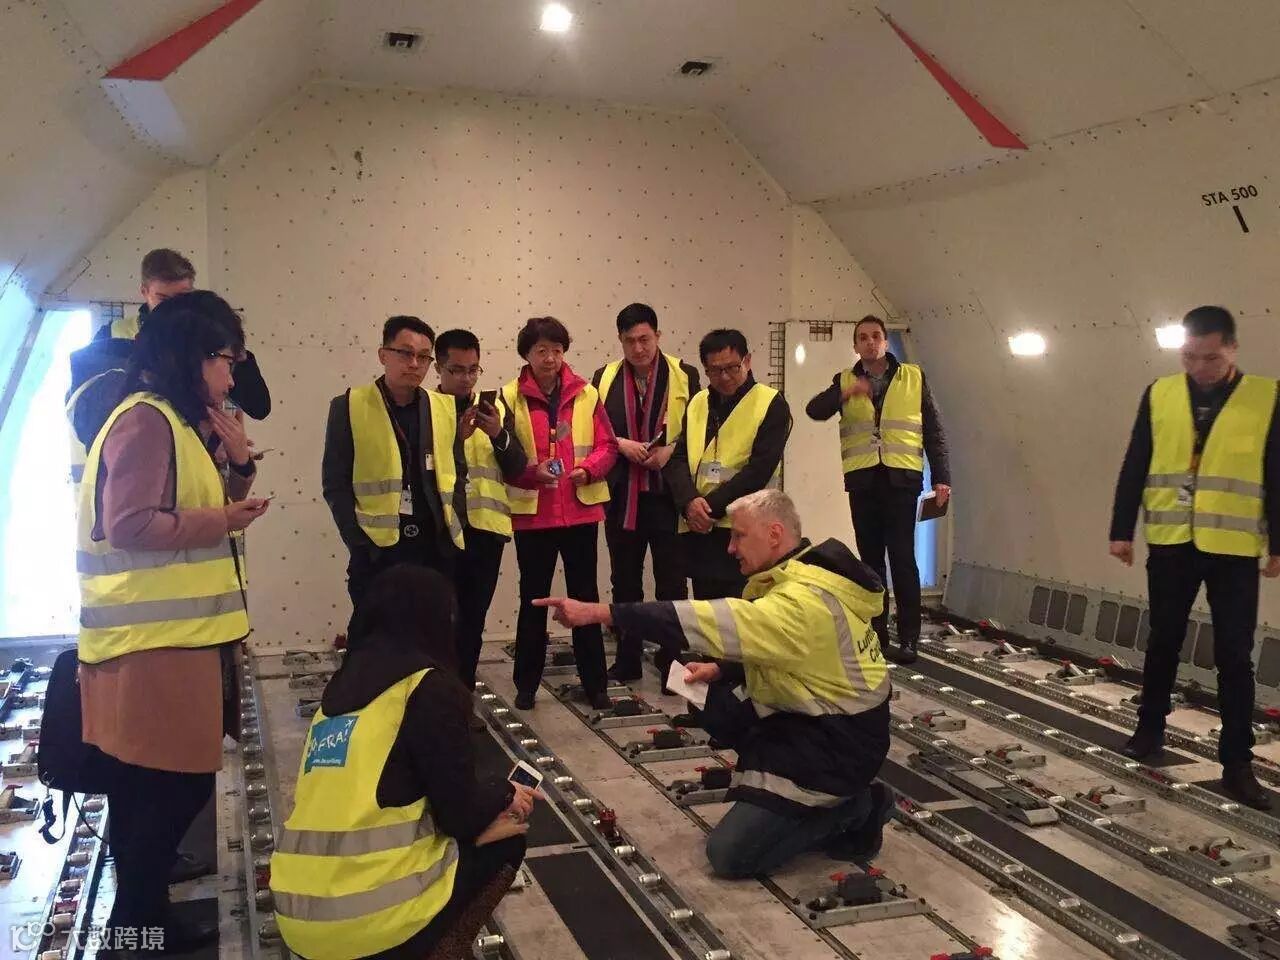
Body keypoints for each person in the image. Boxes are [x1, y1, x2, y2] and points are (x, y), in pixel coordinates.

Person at [536, 489, 893, 879]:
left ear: (774, 534)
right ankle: (788, 790)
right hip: (821, 720)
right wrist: (721, 670)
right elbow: (794, 650)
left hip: (839, 743)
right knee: (709, 701)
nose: (730, 548)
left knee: (729, 856)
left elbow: (699, 619)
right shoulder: (803, 576)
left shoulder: (801, 601)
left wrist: (601, 612)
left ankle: (854, 807)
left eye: (738, 535)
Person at [77, 292, 269, 951]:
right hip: (151, 646)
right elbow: (130, 525)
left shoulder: (179, 421)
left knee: (155, 794)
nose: (232, 377)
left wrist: (239, 466)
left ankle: (142, 920)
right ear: (193, 356)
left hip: (174, 641)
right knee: (169, 792)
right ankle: (135, 929)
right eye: (226, 361)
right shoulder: (146, 421)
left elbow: (197, 505)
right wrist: (223, 519)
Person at [271, 565, 536, 960]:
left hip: (297, 918)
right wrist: (505, 791)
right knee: (509, 837)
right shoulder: (427, 688)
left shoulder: (337, 694)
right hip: (369, 924)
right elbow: (462, 817)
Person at [1110, 305, 1279, 809]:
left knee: (1235, 656)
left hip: (1233, 549)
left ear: (1232, 349)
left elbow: (1276, 471)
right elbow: (1136, 461)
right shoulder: (1159, 393)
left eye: (1210, 358)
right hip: (1172, 541)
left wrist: (1279, 543)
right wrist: (1121, 530)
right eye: (1189, 357)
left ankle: (1237, 765)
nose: (1198, 368)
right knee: (1163, 639)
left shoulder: (1266, 398)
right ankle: (1149, 730)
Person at [805, 315, 950, 665]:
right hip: (864, 481)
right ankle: (877, 633)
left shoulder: (913, 377)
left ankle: (910, 638)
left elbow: (933, 431)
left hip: (902, 481)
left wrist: (942, 478)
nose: (870, 342)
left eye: (875, 336)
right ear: (855, 346)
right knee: (870, 562)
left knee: (902, 559)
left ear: (885, 341)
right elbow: (814, 410)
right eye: (863, 338)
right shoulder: (845, 380)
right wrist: (846, 393)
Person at [663, 328, 790, 719]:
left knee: (742, 626)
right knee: (706, 623)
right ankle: (704, 712)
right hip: (701, 533)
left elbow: (758, 470)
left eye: (732, 367)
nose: (724, 377)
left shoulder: (770, 404)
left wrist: (709, 507)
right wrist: (689, 503)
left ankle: (742, 714)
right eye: (715, 370)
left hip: (746, 533)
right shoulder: (699, 403)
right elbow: (677, 458)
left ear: (747, 360)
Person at [67, 249, 271, 483]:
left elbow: (258, 405)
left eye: (182, 298)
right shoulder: (113, 341)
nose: (176, 309)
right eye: (164, 300)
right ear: (144, 292)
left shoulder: (207, 338)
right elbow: (90, 417)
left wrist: (229, 447)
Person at [502, 316, 617, 710]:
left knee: (586, 599)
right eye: (541, 351)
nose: (550, 358)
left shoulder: (586, 394)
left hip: (580, 512)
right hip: (533, 515)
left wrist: (590, 470)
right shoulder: (509, 397)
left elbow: (608, 445)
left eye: (556, 349)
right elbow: (504, 455)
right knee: (532, 600)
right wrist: (530, 473)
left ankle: (596, 685)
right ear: (527, 354)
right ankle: (526, 685)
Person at [322, 316, 467, 622]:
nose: (414, 363)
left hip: (434, 545)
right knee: (375, 634)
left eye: (423, 356)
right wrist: (358, 542)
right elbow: (335, 482)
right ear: (383, 355)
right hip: (378, 548)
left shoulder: (443, 407)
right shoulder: (349, 405)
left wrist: (455, 523)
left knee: (432, 633)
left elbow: (458, 470)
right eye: (405, 353)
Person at [591, 303, 700, 682]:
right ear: (620, 341)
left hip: (668, 495)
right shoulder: (604, 377)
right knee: (625, 582)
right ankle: (628, 658)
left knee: (672, 583)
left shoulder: (685, 374)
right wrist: (621, 444)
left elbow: (699, 426)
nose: (638, 348)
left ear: (658, 336)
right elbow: (595, 429)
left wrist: (672, 450)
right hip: (623, 495)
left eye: (644, 339)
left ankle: (673, 662)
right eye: (630, 341)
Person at [433, 329, 527, 695]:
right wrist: (455, 439)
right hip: (442, 531)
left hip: (486, 531)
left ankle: (461, 696)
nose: (466, 378)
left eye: (473, 369)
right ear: (438, 368)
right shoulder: (427, 408)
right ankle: (435, 695)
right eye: (456, 370)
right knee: (438, 619)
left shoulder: (496, 407)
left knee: (473, 619)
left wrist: (498, 433)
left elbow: (517, 466)